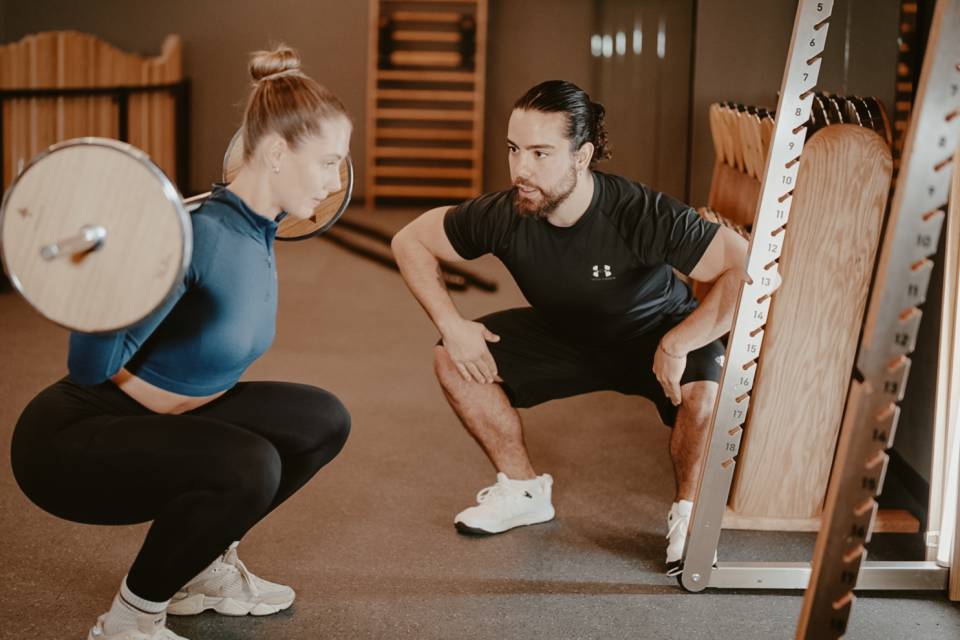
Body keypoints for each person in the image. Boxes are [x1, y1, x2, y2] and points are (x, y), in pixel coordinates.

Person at [10, 45, 352, 640]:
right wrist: (108, 278)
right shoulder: (195, 238)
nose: (333, 182)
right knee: (250, 465)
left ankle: (197, 568)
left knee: (321, 419)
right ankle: (130, 621)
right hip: (71, 439)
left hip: (168, 420)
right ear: (276, 153)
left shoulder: (255, 228)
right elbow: (87, 367)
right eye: (327, 163)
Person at [391, 79, 751, 576]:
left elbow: (745, 266)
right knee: (451, 357)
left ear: (582, 156)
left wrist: (679, 342)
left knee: (707, 392)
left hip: (651, 335)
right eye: (514, 150)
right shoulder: (504, 214)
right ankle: (524, 491)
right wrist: (451, 323)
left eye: (540, 153)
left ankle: (688, 516)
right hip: (564, 335)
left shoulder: (639, 213)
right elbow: (410, 241)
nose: (521, 169)